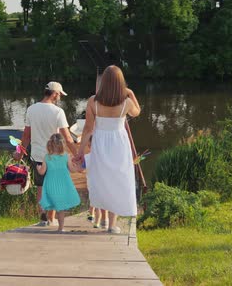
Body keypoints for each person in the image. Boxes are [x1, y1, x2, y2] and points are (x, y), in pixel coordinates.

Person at [75, 65, 141, 234]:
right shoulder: (126, 102)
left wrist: (80, 151)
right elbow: (137, 113)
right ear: (121, 82)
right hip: (119, 143)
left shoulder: (93, 101)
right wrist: (131, 93)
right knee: (117, 180)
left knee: (101, 178)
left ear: (103, 81)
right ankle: (112, 224)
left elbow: (88, 129)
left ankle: (103, 219)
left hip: (100, 142)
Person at [15, 82, 78, 226]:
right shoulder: (57, 112)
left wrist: (19, 153)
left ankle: (43, 218)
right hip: (54, 157)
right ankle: (51, 219)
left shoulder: (31, 109)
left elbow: (26, 136)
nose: (60, 97)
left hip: (37, 156)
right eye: (60, 94)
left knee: (41, 187)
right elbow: (68, 138)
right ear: (55, 93)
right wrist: (77, 154)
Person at [36, 133, 81, 232]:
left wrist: (38, 168)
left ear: (50, 145)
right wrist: (77, 167)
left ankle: (44, 211)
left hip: (50, 185)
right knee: (60, 209)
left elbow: (42, 172)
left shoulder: (47, 157)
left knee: (47, 200)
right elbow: (72, 169)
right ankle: (60, 229)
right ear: (62, 145)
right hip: (63, 185)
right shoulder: (66, 156)